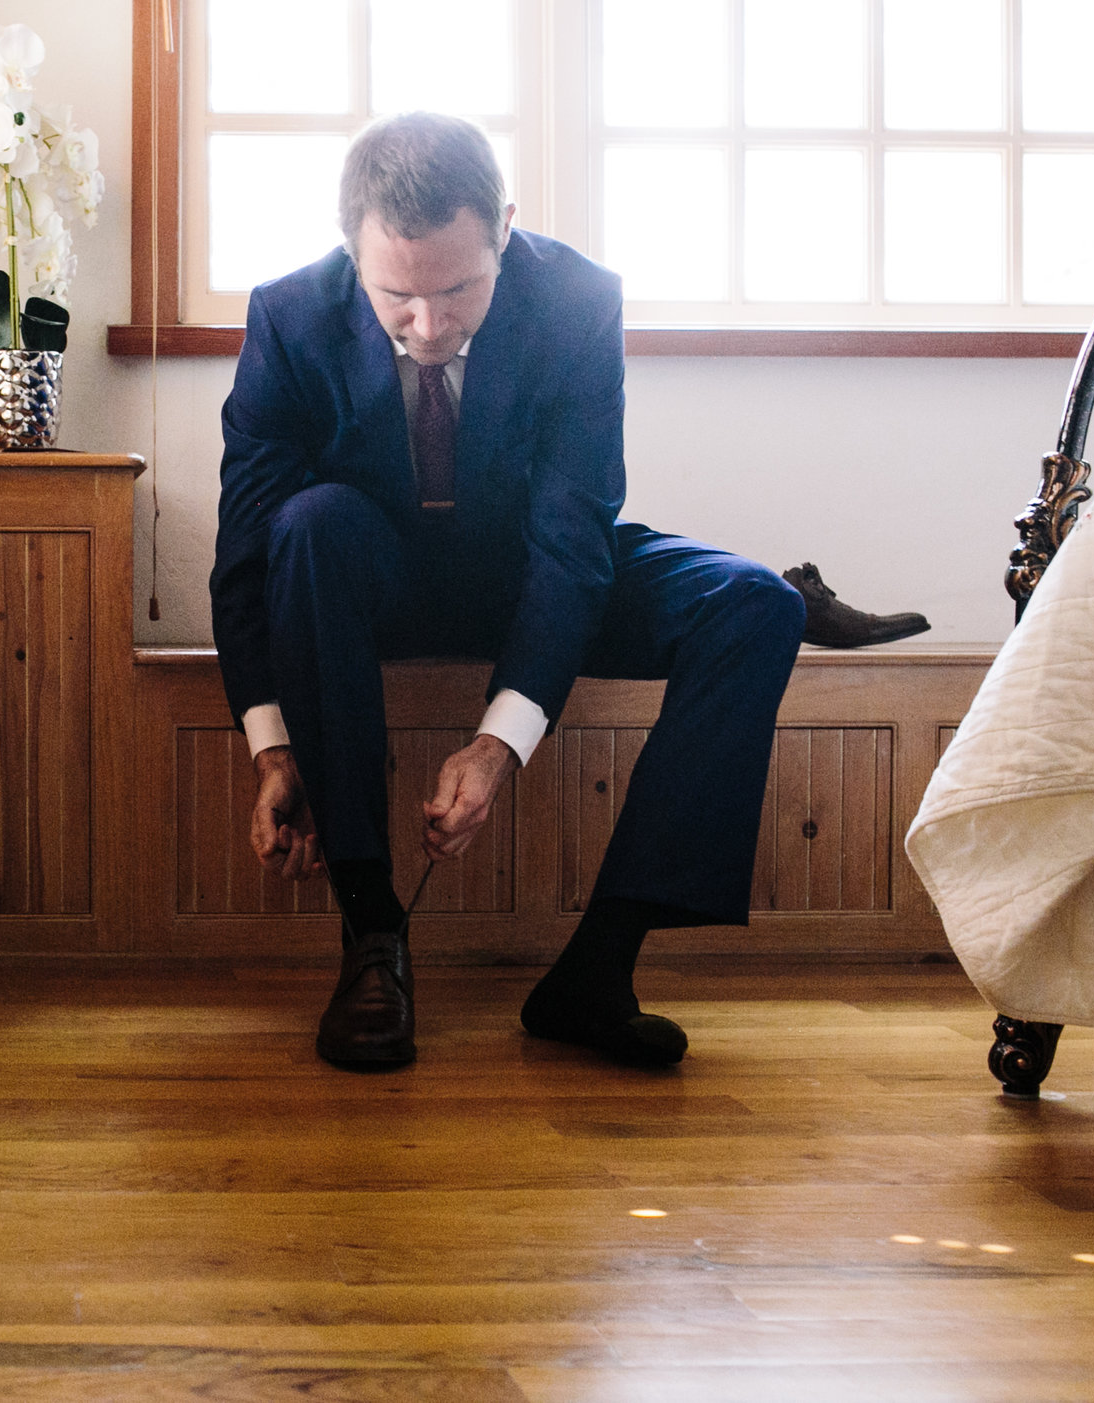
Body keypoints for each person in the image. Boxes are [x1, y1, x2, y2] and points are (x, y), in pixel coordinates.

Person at [210, 113, 805, 1072]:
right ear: (349, 250)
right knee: (308, 523)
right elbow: (248, 549)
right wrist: (273, 750)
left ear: (506, 231)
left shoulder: (577, 300)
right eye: (396, 296)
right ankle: (371, 939)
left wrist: (498, 745)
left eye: (458, 289)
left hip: (537, 565)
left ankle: (598, 970)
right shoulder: (288, 315)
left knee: (760, 605)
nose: (430, 326)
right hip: (373, 571)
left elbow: (574, 540)